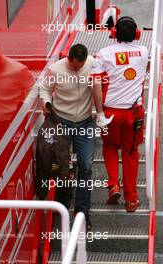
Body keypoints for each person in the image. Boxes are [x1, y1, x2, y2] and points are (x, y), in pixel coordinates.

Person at [39, 43, 113, 230]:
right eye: (74, 66)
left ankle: (82, 213)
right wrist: (47, 103)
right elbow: (45, 89)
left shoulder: (92, 63)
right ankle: (63, 204)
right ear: (69, 59)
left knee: (86, 167)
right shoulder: (56, 69)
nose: (78, 69)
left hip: (85, 122)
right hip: (62, 122)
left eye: (81, 66)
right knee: (63, 166)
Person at [91, 17, 148, 212]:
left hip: (111, 112)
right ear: (137, 34)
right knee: (131, 153)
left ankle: (113, 185)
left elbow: (96, 85)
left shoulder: (103, 55)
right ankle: (131, 200)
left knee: (109, 147)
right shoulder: (143, 52)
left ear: (113, 33)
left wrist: (99, 113)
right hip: (134, 113)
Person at [0, 43, 34, 158]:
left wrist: (23, 110)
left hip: (14, 124)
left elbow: (33, 89)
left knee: (17, 160)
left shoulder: (18, 70)